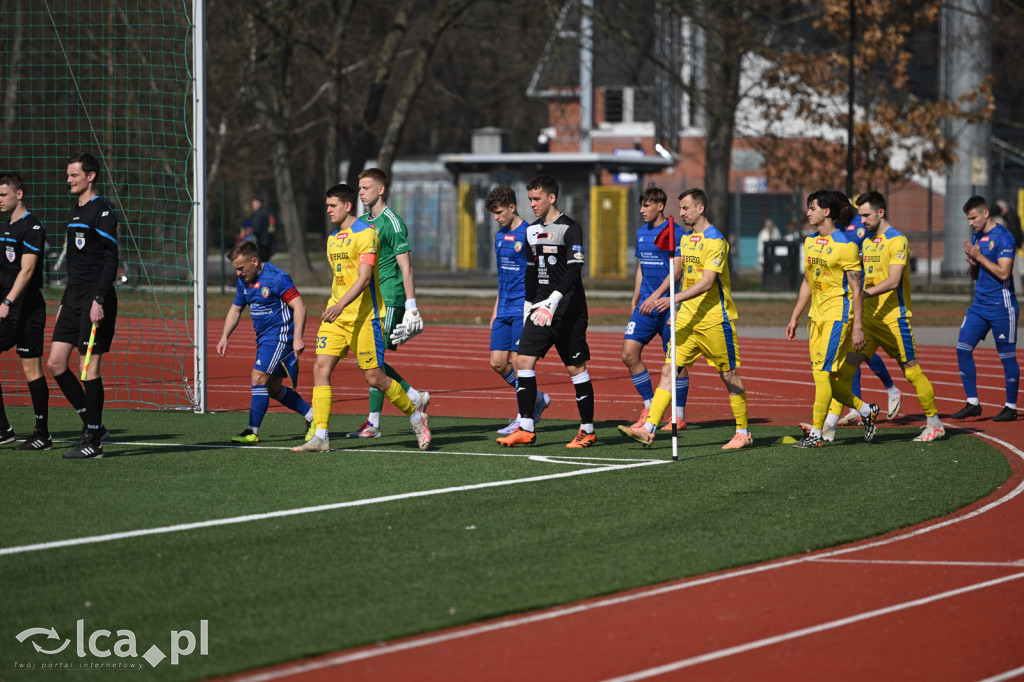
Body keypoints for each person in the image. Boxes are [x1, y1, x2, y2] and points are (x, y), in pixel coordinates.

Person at [291, 183, 430, 452]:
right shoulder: (332, 239)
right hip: (337, 317)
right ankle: (321, 435)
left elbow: (365, 279)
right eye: (327, 206)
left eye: (332, 206)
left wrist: (341, 305)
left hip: (365, 318)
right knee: (320, 368)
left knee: (375, 378)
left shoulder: (367, 234)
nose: (328, 210)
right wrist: (337, 306)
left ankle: (416, 416)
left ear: (347, 206)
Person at [619, 187, 752, 450]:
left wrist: (672, 300)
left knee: (729, 375)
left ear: (700, 208)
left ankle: (743, 432)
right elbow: (685, 279)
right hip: (686, 320)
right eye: (680, 209)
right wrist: (678, 309)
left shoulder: (715, 240)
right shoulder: (687, 239)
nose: (680, 213)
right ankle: (649, 428)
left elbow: (706, 283)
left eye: (685, 208)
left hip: (713, 321)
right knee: (668, 370)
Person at [816, 192, 944, 442]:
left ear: (881, 212)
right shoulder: (868, 242)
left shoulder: (898, 241)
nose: (861, 220)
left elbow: (894, 280)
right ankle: (829, 427)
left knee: (911, 371)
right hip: (872, 321)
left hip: (894, 319)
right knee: (842, 371)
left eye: (866, 215)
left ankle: (935, 423)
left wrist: (864, 293)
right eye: (860, 215)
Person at [497, 175, 595, 448]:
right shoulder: (530, 231)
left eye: (537, 199)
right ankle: (526, 427)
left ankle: (587, 430)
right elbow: (531, 271)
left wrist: (554, 298)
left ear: (552, 198)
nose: (532, 204)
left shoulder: (571, 228)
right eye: (529, 199)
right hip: (540, 310)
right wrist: (529, 304)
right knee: (523, 362)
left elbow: (575, 269)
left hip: (569, 311)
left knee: (576, 368)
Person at [784, 190, 879, 448]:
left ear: (827, 212)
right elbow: (808, 281)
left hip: (838, 317)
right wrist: (795, 317)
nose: (808, 212)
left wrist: (857, 327)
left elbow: (857, 290)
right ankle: (866, 410)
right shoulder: (810, 243)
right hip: (816, 319)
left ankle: (816, 434)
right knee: (826, 377)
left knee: (822, 374)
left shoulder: (847, 246)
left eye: (812, 207)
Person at [348, 167, 430, 438]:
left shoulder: (393, 222)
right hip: (368, 300)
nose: (361, 192)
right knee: (371, 360)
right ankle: (412, 396)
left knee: (374, 360)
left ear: (381, 190)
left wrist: (411, 306)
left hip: (390, 296)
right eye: (359, 188)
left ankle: (376, 423)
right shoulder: (359, 222)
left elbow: (406, 267)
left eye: (366, 187)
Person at [48, 153, 117, 459]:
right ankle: (93, 426)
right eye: (68, 175)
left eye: (74, 175)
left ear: (91, 176)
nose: (69, 180)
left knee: (88, 368)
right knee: (56, 364)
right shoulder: (75, 211)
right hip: (73, 296)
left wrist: (99, 299)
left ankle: (93, 441)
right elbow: (76, 263)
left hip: (95, 297)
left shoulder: (102, 212)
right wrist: (65, 301)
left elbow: (111, 259)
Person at [216, 241, 315, 443]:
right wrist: (224, 336)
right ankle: (313, 417)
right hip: (264, 339)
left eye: (241, 268)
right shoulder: (244, 280)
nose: (238, 274)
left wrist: (297, 338)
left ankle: (252, 430)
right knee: (272, 388)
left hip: (280, 337)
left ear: (254, 261)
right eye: (235, 269)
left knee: (258, 377)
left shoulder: (277, 278)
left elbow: (300, 307)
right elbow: (236, 309)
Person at [484, 185, 550, 435]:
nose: (496, 217)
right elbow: (502, 276)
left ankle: (523, 416)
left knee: (518, 361)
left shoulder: (530, 233)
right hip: (503, 308)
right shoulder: (499, 236)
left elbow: (539, 273)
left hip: (524, 308)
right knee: (497, 363)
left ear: (512, 207)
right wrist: (494, 310)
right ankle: (537, 398)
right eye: (493, 213)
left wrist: (536, 305)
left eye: (499, 212)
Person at [624, 186, 688, 431]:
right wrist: (636, 297)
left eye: (646, 205)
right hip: (645, 305)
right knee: (629, 354)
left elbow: (678, 270)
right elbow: (641, 267)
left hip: (669, 307)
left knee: (674, 362)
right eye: (641, 205)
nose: (641, 210)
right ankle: (650, 408)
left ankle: (678, 416)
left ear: (660, 206)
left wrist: (658, 296)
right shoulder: (641, 232)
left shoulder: (674, 232)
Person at [952, 195, 1019, 421]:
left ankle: (1010, 406)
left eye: (973, 218)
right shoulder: (978, 237)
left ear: (986, 213)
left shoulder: (1004, 238)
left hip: (1002, 306)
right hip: (979, 306)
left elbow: (1003, 273)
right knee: (962, 348)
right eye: (968, 219)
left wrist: (979, 256)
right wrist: (973, 264)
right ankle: (973, 403)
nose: (970, 223)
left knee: (1007, 357)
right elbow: (975, 276)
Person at [833, 211, 902, 427]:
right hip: (843, 292)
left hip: (862, 292)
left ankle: (891, 389)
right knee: (850, 354)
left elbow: (869, 253)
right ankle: (857, 406)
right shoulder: (836, 227)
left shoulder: (861, 226)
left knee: (860, 347)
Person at [0, 172, 51, 450]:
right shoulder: (6, 228)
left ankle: (42, 434)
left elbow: (27, 269)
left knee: (31, 369)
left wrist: (7, 302)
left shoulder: (32, 227)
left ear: (19, 194)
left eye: (3, 194)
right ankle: (4, 429)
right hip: (7, 307)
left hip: (26, 308)